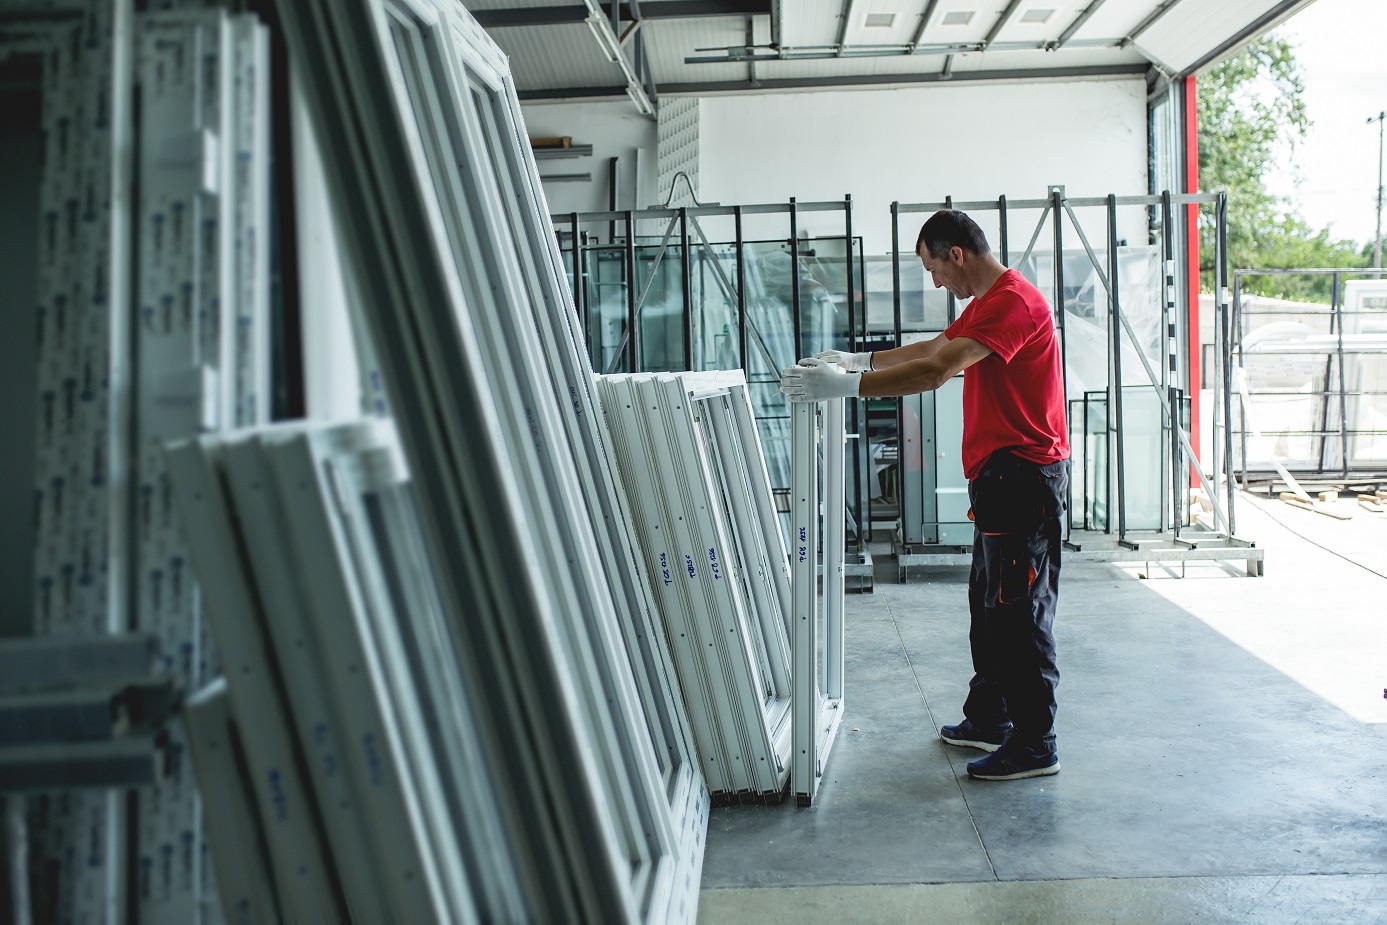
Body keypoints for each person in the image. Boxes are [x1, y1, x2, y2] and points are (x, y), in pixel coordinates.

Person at [779, 209, 1070, 781]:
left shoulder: (1015, 302)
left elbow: (938, 370)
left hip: (1024, 477)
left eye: (932, 267)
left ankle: (1036, 744)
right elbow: (932, 346)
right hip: (997, 478)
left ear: (955, 254)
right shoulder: (984, 305)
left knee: (1018, 615)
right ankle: (992, 717)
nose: (934, 281)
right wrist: (859, 360)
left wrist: (849, 387)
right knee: (988, 610)